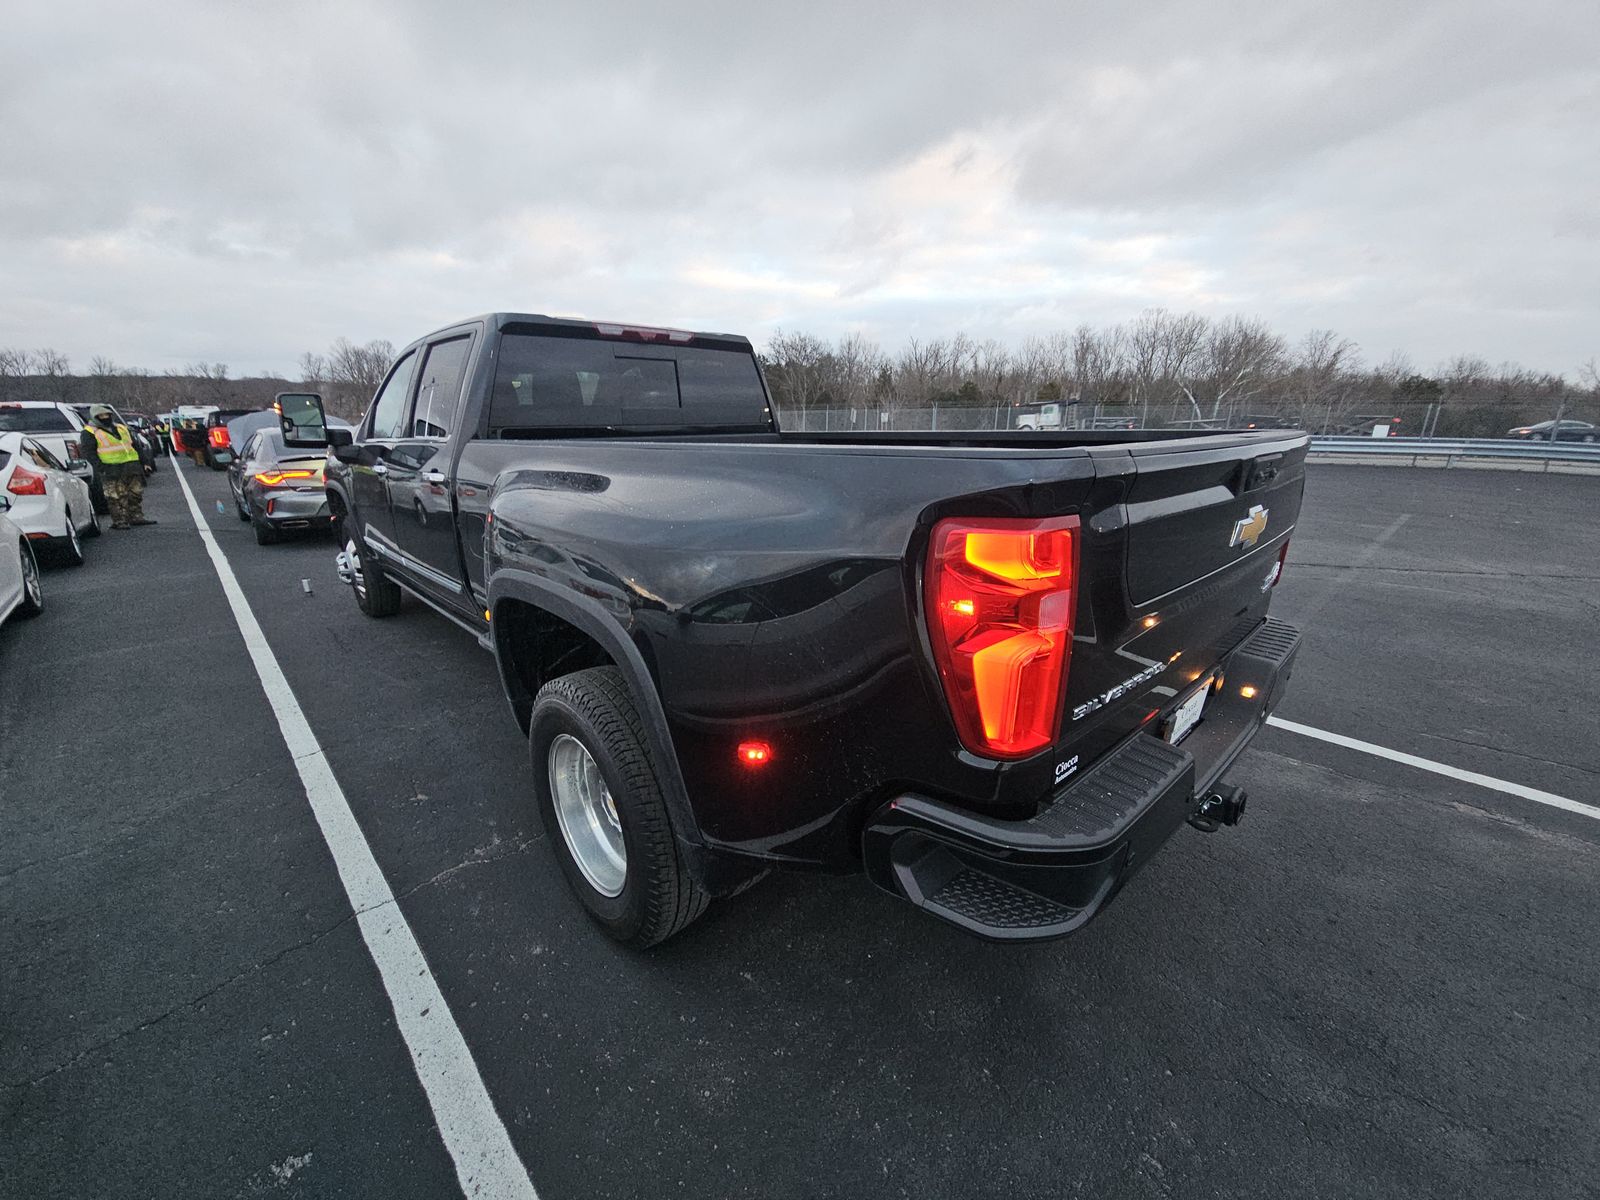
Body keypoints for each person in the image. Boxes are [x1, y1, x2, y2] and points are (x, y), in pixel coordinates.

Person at [80, 405, 156, 530]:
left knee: (135, 493)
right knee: (116, 497)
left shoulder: (121, 428)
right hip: (111, 469)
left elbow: (135, 446)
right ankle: (120, 521)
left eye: (107, 415)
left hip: (131, 466)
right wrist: (101, 468)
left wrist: (145, 462)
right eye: (102, 416)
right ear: (95, 417)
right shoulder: (89, 432)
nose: (105, 418)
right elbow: (89, 453)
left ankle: (136, 517)